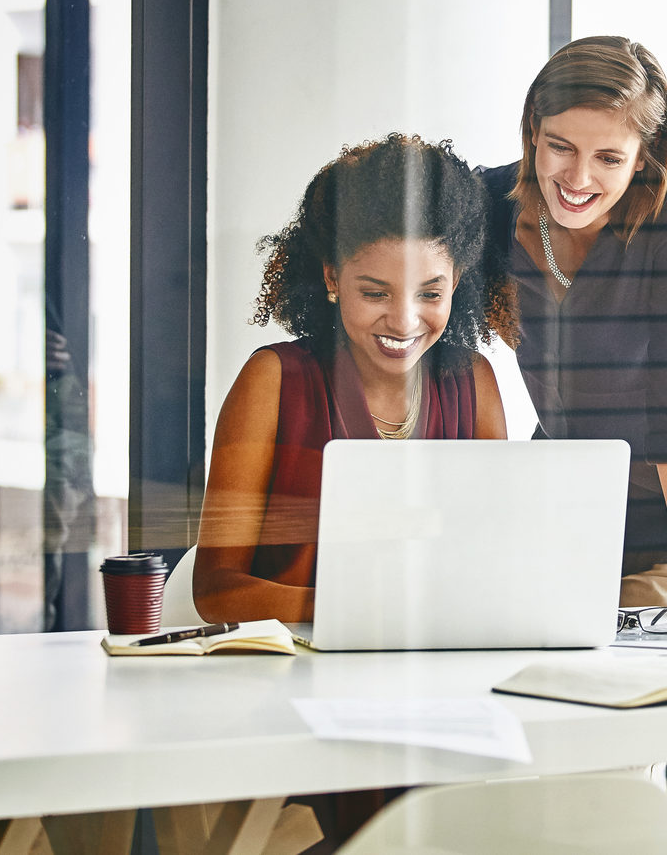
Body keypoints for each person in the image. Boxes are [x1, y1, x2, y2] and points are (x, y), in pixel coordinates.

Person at [481, 36, 667, 622]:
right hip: (562, 507)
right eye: (560, 147)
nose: (578, 177)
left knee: (639, 669)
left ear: (643, 156)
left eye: (609, 158)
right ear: (533, 129)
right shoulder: (489, 202)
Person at [194, 133, 515, 624]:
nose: (404, 322)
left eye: (430, 294)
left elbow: (497, 559)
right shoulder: (273, 381)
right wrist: (363, 609)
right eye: (375, 293)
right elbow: (216, 591)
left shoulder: (473, 382)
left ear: (456, 281)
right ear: (332, 278)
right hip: (295, 662)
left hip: (435, 658)